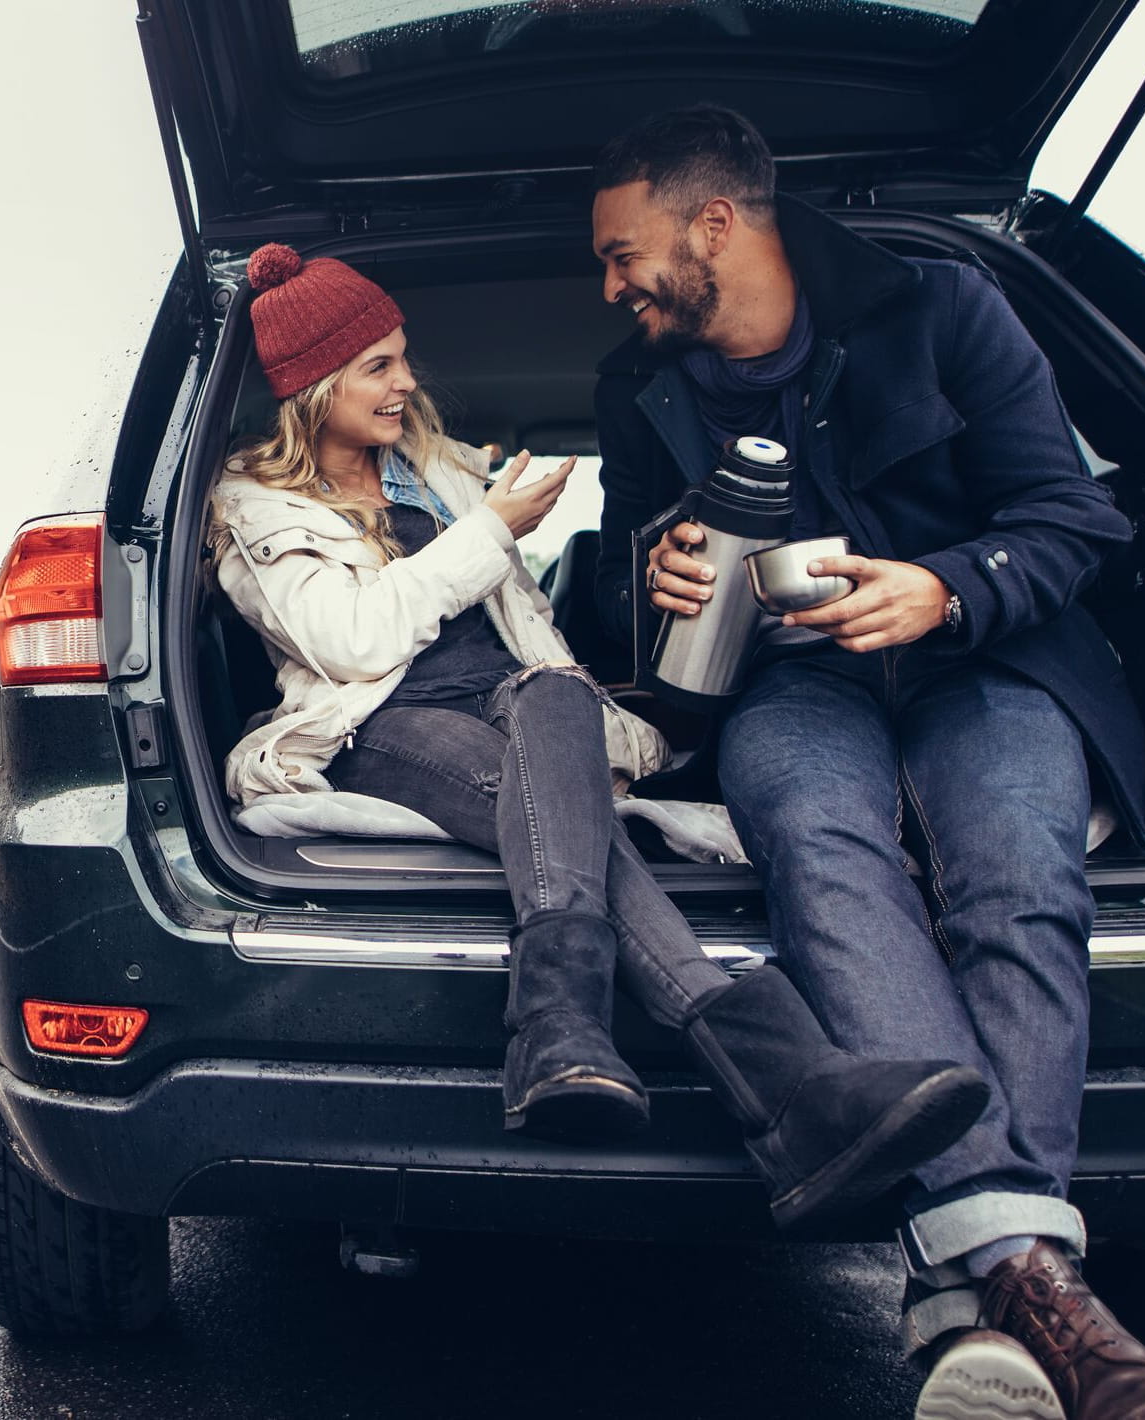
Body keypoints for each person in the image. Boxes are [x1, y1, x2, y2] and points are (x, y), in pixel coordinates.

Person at [588, 105, 1145, 1420]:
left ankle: (972, 1291)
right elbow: (615, 610)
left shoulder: (943, 309)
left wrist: (943, 589)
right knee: (820, 851)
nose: (607, 286)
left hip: (991, 659)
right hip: (789, 685)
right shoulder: (635, 388)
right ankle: (1039, 1293)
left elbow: (1070, 518)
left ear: (715, 224)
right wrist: (652, 580)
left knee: (1015, 875)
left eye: (619, 251)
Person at [205, 240, 989, 1235]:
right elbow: (349, 645)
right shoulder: (249, 503)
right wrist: (490, 527)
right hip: (376, 730)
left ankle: (563, 1025)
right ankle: (784, 1089)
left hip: (525, 713)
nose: (407, 381)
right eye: (379, 366)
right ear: (314, 386)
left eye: (404, 357)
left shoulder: (437, 471)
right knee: (579, 816)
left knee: (555, 699)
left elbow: (534, 640)